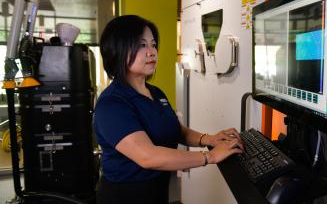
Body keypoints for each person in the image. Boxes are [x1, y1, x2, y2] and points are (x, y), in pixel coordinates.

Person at [94, 15, 244, 204]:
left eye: (153, 44)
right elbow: (148, 156)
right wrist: (211, 156)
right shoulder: (112, 104)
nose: (152, 52)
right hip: (126, 195)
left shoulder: (155, 93)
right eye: (141, 45)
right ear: (118, 50)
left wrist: (209, 139)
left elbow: (175, 130)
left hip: (157, 190)